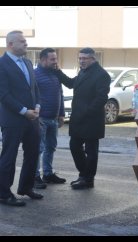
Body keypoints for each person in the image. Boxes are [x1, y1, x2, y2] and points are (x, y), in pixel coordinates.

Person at [54, 47, 110, 190]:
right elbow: (72, 84)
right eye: (79, 58)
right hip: (78, 118)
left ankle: (88, 179)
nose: (81, 61)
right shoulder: (83, 72)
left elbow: (102, 98)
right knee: (74, 146)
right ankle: (83, 174)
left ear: (93, 59)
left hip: (91, 119)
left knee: (91, 151)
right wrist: (57, 72)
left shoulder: (101, 74)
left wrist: (87, 112)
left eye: (84, 58)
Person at [0, 30, 44, 207]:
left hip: (32, 119)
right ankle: (3, 193)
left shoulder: (27, 62)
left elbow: (34, 88)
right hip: (13, 119)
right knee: (9, 157)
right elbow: (3, 94)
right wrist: (24, 111)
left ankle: (26, 187)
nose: (26, 43)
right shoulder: (2, 64)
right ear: (10, 44)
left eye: (25, 41)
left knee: (33, 153)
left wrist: (38, 106)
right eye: (22, 41)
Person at [33, 48, 66, 190]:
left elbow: (61, 95)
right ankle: (34, 177)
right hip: (40, 119)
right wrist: (35, 115)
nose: (55, 62)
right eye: (52, 59)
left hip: (53, 119)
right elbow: (31, 96)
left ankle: (47, 174)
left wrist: (61, 114)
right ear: (43, 60)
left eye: (55, 59)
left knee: (50, 147)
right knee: (38, 149)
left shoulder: (56, 74)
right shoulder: (34, 75)